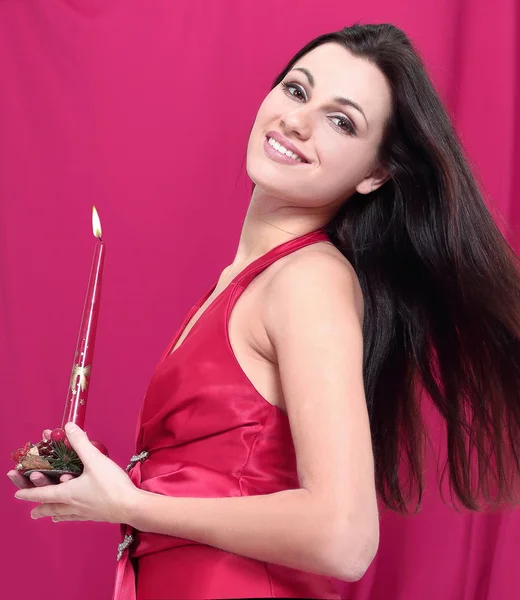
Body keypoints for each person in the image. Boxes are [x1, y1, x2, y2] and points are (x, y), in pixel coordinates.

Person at [8, 22, 520, 600]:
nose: (298, 121)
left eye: (341, 120)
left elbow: (344, 538)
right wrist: (100, 482)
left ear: (377, 173)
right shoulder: (248, 280)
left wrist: (134, 505)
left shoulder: (309, 281)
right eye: (297, 90)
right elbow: (231, 476)